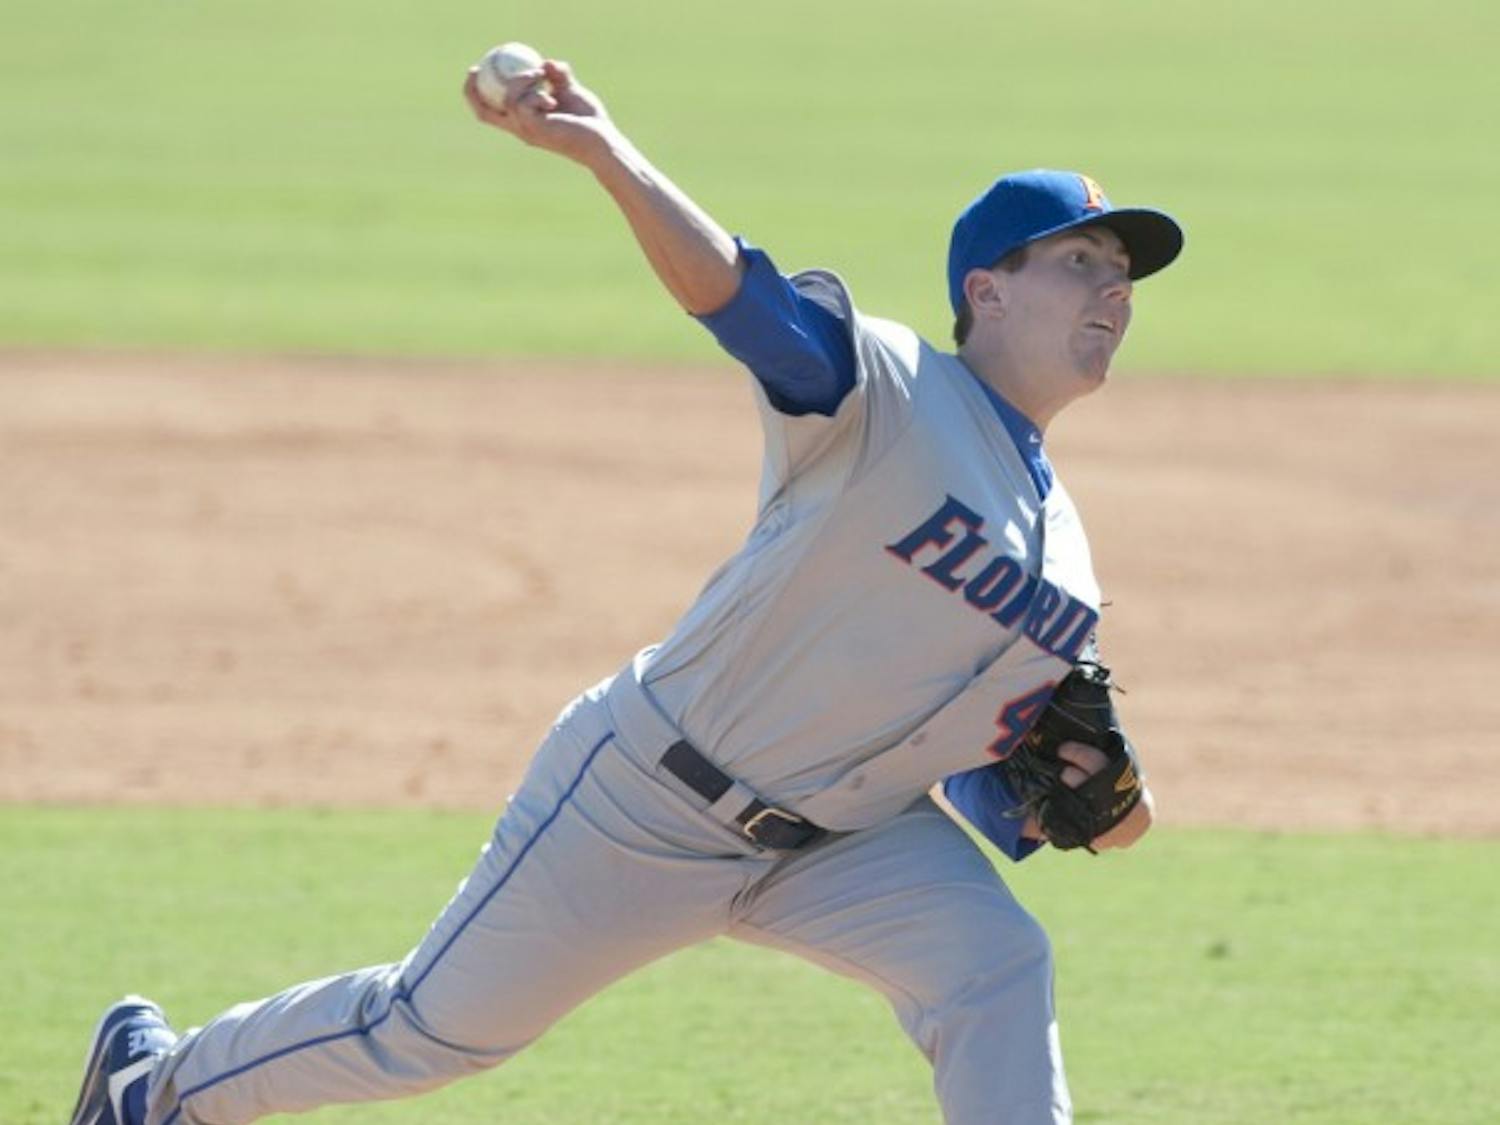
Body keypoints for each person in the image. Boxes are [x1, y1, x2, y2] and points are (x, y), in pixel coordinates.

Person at [68, 51, 1182, 1125]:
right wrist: (606, 154)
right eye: (1080, 260)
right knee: (427, 1033)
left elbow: (989, 778)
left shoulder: (1066, 559)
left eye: (1122, 275)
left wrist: (1097, 802)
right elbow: (743, 303)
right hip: (651, 800)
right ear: (986, 291)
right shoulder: (888, 388)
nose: (1114, 290)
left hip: (848, 842)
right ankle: (156, 1091)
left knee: (995, 963)